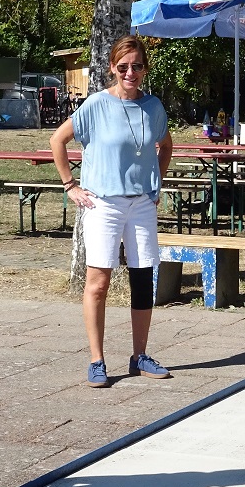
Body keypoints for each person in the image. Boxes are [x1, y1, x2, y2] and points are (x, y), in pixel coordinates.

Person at [50, 36, 173, 388]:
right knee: (99, 282)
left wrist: (155, 181)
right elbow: (58, 140)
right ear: (112, 68)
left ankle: (140, 356)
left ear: (145, 69)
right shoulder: (96, 104)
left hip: (141, 203)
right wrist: (70, 185)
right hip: (103, 203)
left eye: (136, 66)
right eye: (123, 67)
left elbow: (165, 145)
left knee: (142, 279)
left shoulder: (153, 106)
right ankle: (96, 360)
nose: (130, 73)